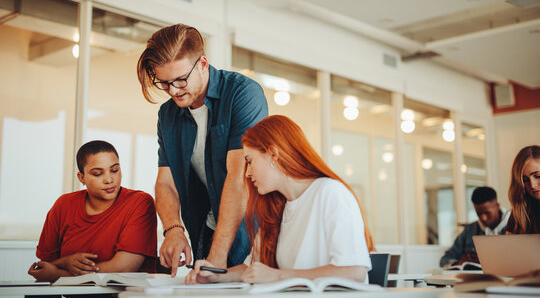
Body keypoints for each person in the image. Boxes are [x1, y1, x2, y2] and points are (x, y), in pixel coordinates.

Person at [137, 24, 268, 276]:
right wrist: (173, 229)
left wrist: (217, 258)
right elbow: (166, 182)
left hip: (252, 235)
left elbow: (238, 176)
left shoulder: (243, 94)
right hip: (207, 230)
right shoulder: (167, 114)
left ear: (203, 64)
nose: (173, 90)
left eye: (180, 79)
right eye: (164, 83)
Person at [185, 115, 374, 284]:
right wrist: (217, 276)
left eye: (250, 161)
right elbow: (253, 269)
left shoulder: (330, 193)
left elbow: (353, 271)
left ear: (273, 154)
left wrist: (278, 276)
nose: (248, 173)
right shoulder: (277, 206)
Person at [28, 140, 157, 282]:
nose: (109, 179)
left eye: (115, 170)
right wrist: (65, 262)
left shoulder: (139, 203)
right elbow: (45, 266)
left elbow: (123, 269)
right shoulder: (63, 205)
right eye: (97, 174)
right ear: (82, 178)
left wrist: (59, 275)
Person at [440, 186, 509, 268]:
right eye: (479, 213)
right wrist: (459, 262)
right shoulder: (469, 230)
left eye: (487, 213)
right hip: (475, 279)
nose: (483, 218)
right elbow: (444, 259)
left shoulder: (515, 226)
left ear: (497, 206)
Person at [507, 145, 540, 234]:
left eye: (538, 176)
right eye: (525, 180)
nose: (532, 185)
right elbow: (508, 246)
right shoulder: (520, 211)